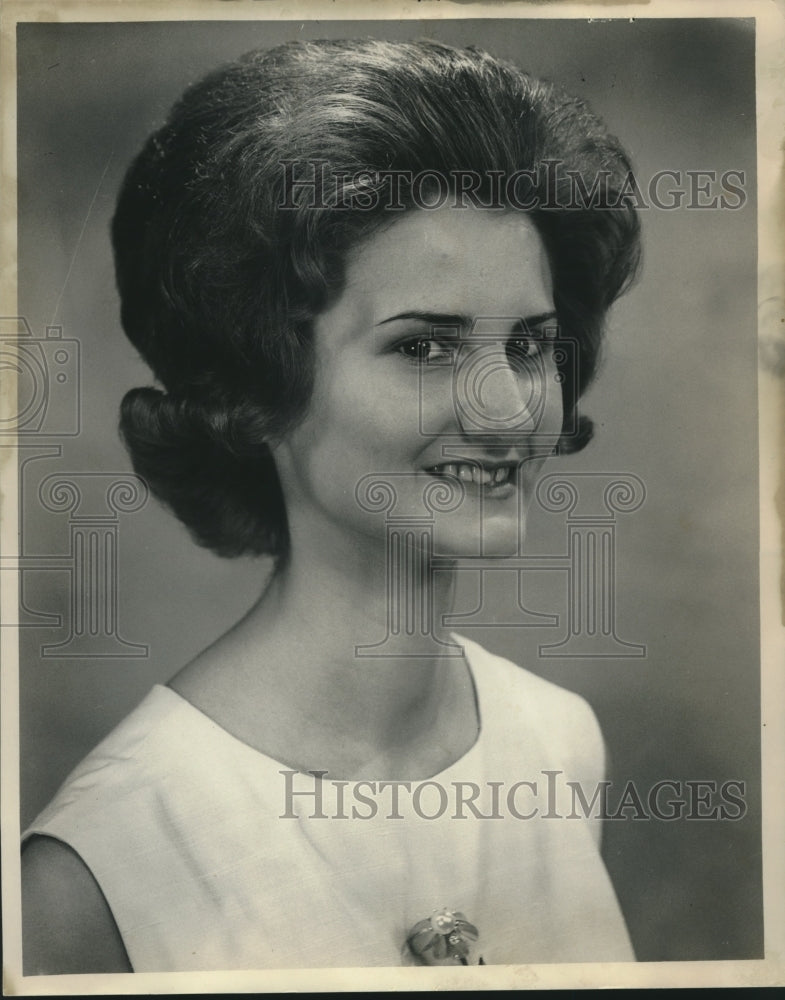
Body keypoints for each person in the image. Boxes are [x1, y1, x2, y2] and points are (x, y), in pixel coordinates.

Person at [21, 38, 641, 972]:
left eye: (528, 345)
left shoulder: (557, 743)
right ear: (255, 386)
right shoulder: (97, 867)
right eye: (425, 349)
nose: (512, 411)